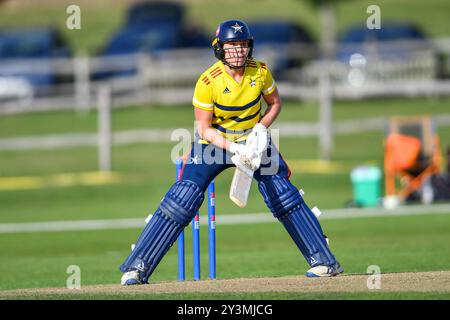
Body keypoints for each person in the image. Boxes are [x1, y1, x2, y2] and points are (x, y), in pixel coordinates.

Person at [119, 19, 343, 285]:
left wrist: (261, 128)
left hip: (255, 141)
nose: (238, 51)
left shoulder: (260, 72)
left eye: (242, 45)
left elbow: (275, 103)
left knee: (283, 194)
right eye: (232, 45)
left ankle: (324, 261)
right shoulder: (207, 81)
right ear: (220, 48)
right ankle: (137, 267)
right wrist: (234, 148)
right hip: (214, 144)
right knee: (183, 197)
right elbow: (203, 129)